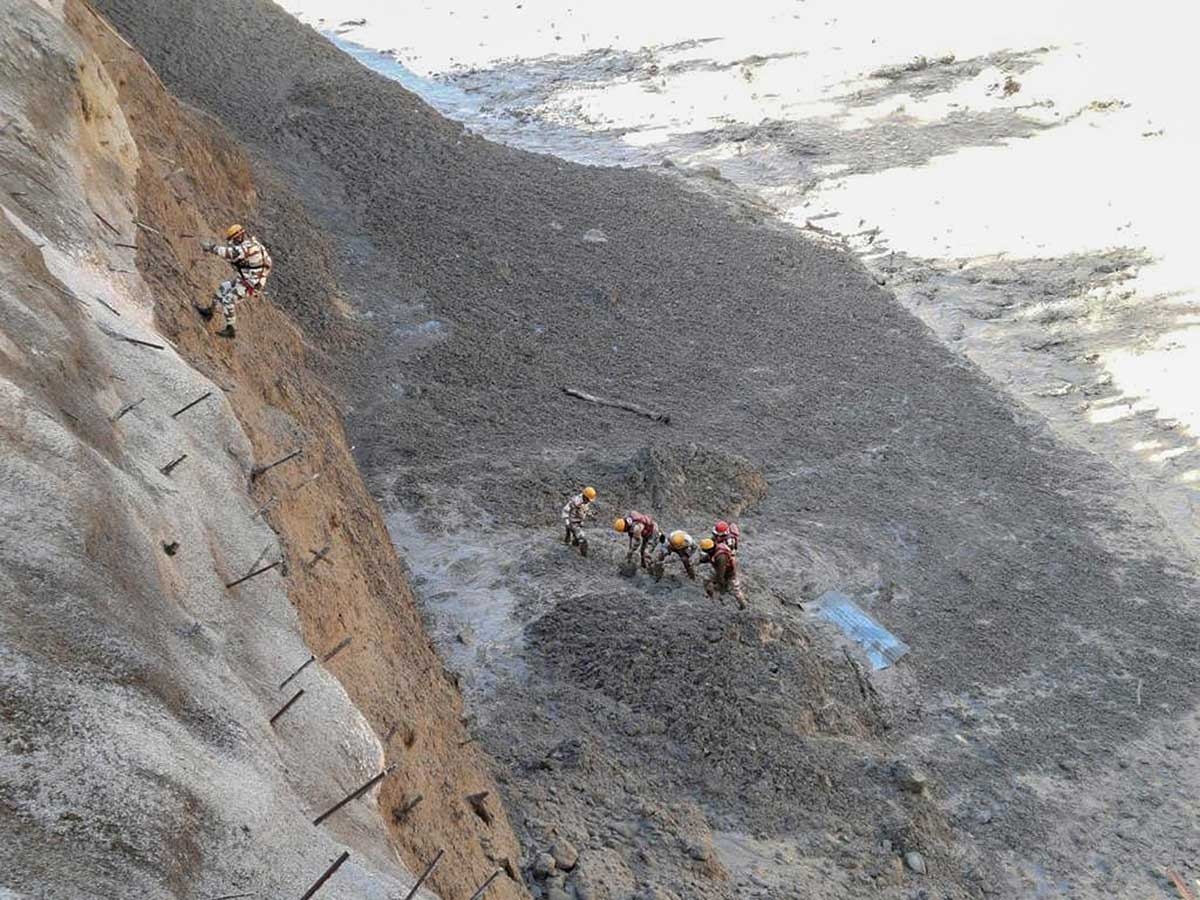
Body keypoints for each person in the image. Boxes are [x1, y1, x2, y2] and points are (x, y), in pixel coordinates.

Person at [197, 224, 273, 338]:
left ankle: (230, 329)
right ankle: (210, 311)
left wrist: (212, 248)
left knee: (228, 300)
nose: (235, 242)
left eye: (235, 239)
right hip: (246, 279)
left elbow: (231, 254)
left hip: (251, 284)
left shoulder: (249, 247)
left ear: (240, 236)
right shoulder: (251, 245)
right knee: (223, 287)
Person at [703, 539, 746, 609]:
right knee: (706, 580)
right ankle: (711, 596)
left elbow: (721, 573)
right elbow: (708, 557)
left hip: (729, 573)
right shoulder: (715, 549)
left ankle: (743, 605)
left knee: (736, 591)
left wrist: (720, 583)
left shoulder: (721, 557)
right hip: (722, 570)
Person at [561, 486, 597, 556]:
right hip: (573, 521)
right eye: (588, 499)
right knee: (581, 537)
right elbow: (565, 510)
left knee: (575, 535)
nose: (589, 501)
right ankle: (583, 553)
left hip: (579, 521)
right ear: (585, 496)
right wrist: (567, 522)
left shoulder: (585, 502)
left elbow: (584, 510)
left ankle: (573, 542)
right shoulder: (575, 502)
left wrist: (591, 514)